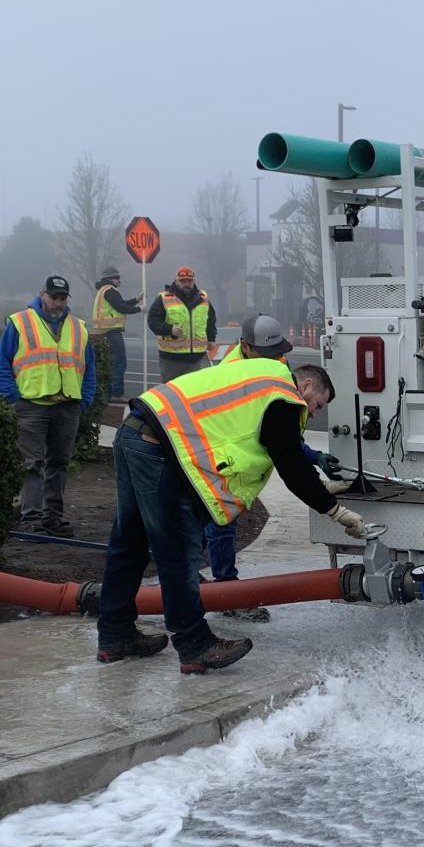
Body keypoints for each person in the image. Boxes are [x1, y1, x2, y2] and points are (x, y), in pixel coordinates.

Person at [96, 331, 366, 674]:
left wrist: (319, 480)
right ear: (307, 386)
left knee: (129, 544)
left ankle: (115, 634)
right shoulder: (282, 395)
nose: (312, 414)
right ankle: (195, 645)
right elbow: (289, 465)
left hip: (136, 432)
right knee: (177, 551)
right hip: (158, 450)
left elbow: (275, 446)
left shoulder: (259, 377)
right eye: (317, 405)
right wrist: (334, 510)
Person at [200, 316, 337, 625]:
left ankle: (194, 576)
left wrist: (314, 456)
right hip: (219, 453)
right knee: (221, 519)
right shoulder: (234, 374)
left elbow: (278, 433)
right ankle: (226, 592)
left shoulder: (272, 365)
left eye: (279, 352)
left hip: (228, 450)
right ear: (246, 347)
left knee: (205, 520)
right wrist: (330, 506)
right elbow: (267, 434)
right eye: (315, 406)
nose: (277, 359)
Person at [0, 274, 96, 537]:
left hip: (67, 405)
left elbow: (89, 367)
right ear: (43, 295)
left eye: (62, 298)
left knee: (59, 463)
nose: (58, 302)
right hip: (32, 405)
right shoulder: (21, 322)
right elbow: (1, 363)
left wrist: (84, 399)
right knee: (32, 463)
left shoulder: (78, 327)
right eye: (54, 296)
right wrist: (13, 397)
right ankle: (32, 518)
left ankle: (52, 518)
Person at [149, 266, 215, 382]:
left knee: (199, 392)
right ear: (176, 281)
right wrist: (169, 329)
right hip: (172, 358)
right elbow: (153, 321)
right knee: (172, 394)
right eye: (183, 281)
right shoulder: (164, 298)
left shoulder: (203, 298)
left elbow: (211, 320)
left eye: (189, 281)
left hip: (198, 357)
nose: (186, 284)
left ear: (194, 281)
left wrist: (211, 338)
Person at [86, 266, 140, 405]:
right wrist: (140, 309)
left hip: (102, 332)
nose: (119, 280)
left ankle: (107, 394)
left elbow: (119, 303)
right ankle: (116, 393)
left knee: (107, 364)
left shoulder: (103, 291)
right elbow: (121, 307)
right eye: (117, 277)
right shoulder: (110, 291)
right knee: (119, 362)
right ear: (109, 279)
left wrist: (135, 300)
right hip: (110, 332)